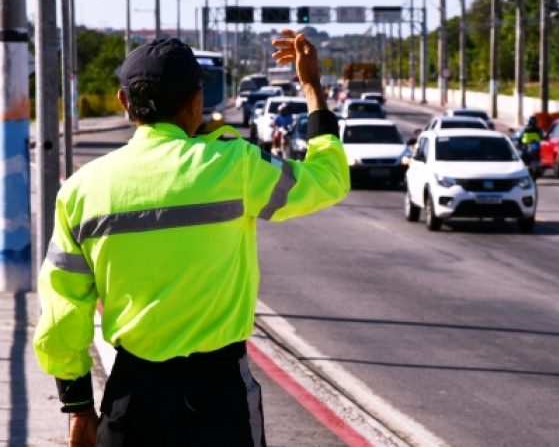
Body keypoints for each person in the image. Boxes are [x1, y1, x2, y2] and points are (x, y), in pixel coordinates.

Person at [33, 32, 349, 446]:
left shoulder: (81, 190)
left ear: (124, 102)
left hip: (132, 400)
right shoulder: (233, 166)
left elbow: (62, 310)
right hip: (219, 399)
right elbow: (329, 179)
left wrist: (77, 407)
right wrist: (312, 90)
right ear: (196, 100)